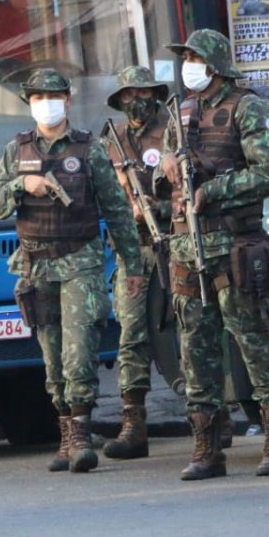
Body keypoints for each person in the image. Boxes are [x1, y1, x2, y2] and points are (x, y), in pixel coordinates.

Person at [0, 67, 144, 474]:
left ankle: (81, 434)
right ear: (29, 103)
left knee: (79, 353)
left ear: (67, 101)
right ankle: (65, 434)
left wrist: (132, 264)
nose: (46, 104)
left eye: (52, 96)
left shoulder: (89, 149)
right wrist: (23, 185)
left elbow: (117, 210)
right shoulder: (16, 150)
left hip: (80, 263)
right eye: (38, 97)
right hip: (37, 266)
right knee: (52, 357)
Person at [157, 30, 269, 480]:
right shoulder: (179, 112)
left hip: (232, 247)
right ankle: (207, 449)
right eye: (184, 57)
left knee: (255, 345)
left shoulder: (247, 107)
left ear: (214, 64)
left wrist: (214, 189)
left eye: (194, 57)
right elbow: (164, 180)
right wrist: (165, 167)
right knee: (195, 354)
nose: (188, 65)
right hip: (186, 250)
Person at [101, 66, 170, 460]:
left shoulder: (174, 130)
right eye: (129, 94)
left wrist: (159, 207)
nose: (137, 100)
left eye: (144, 92)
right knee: (132, 335)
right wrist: (125, 210)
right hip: (132, 252)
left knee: (191, 332)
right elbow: (98, 194)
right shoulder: (111, 141)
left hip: (175, 243)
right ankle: (134, 424)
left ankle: (212, 419)